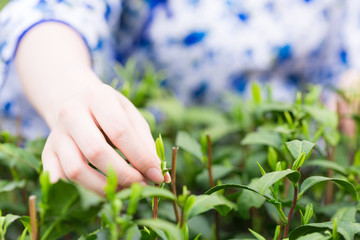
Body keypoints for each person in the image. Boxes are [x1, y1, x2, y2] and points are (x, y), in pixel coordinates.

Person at [0, 0, 359, 195]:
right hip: (132, 165)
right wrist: (71, 88)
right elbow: (49, 12)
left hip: (284, 175)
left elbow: (338, 55)